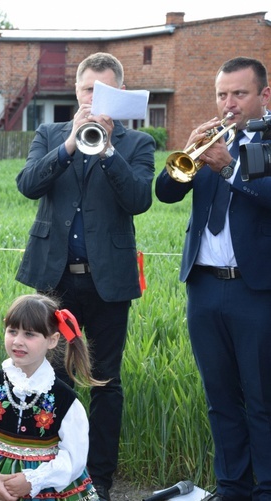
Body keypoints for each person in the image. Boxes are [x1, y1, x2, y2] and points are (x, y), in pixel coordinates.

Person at [15, 52, 155, 500]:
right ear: (76, 92)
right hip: (56, 281)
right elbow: (27, 184)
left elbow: (139, 200)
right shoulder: (51, 134)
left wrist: (108, 149)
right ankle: (54, 475)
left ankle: (100, 481)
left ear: (118, 95)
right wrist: (72, 143)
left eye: (102, 91)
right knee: (54, 379)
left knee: (107, 384)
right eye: (86, 90)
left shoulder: (137, 144)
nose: (93, 99)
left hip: (108, 281)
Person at [154, 57, 271, 501]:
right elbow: (166, 193)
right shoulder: (207, 143)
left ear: (264, 95)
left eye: (238, 94)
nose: (228, 103)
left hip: (255, 289)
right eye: (222, 94)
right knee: (219, 396)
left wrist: (228, 168)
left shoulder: (268, 140)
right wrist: (189, 152)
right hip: (203, 288)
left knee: (261, 400)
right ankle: (232, 488)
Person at [0, 294, 101, 501]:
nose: (17, 341)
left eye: (29, 334)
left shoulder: (65, 400)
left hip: (47, 490)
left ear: (52, 340)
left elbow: (74, 457)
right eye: (12, 331)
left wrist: (34, 480)